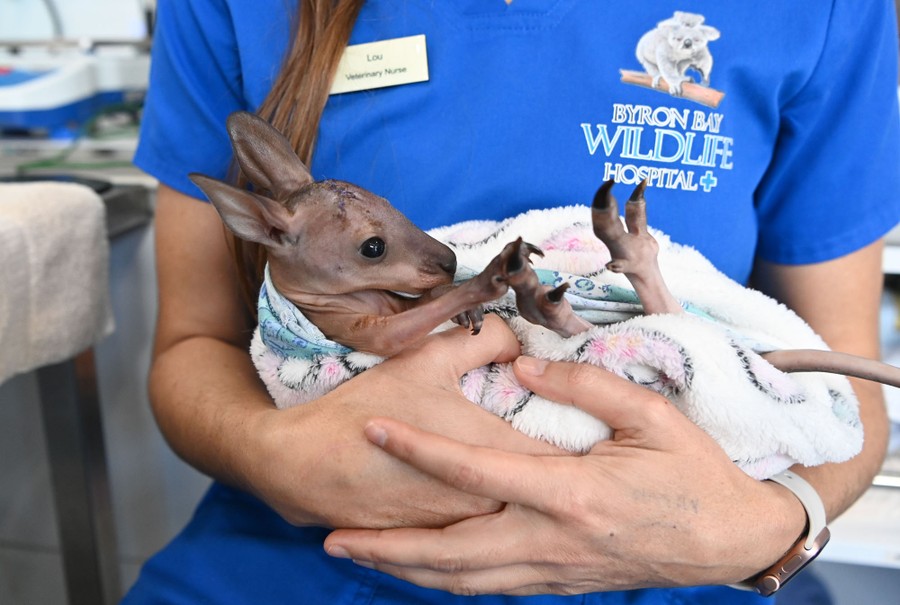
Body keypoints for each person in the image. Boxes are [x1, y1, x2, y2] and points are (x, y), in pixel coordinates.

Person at [124, 0, 900, 602]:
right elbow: (194, 343)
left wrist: (761, 527)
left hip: (673, 556)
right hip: (327, 543)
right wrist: (276, 456)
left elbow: (845, 400)